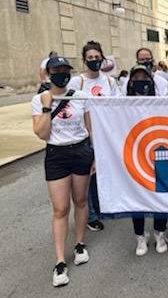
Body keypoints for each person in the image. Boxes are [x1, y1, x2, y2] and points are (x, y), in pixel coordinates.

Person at [32, 57, 94, 287]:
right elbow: (41, 133)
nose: (61, 74)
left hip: (80, 151)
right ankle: (60, 260)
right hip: (56, 155)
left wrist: (94, 155)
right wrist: (48, 105)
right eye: (56, 70)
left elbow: (89, 128)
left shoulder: (80, 97)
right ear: (48, 73)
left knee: (80, 200)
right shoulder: (40, 100)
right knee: (60, 208)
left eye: (65, 70)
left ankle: (79, 244)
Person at [68, 41, 120, 232]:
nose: (94, 61)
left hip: (105, 136)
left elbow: (117, 107)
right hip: (84, 136)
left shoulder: (110, 82)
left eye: (97, 58)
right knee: (86, 177)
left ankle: (101, 208)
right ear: (84, 60)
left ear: (102, 58)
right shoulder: (77, 82)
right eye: (90, 58)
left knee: (103, 174)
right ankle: (90, 216)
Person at [126, 65, 168, 255]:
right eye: (136, 78)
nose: (141, 81)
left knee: (161, 193)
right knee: (137, 196)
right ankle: (140, 236)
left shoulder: (161, 102)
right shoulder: (120, 105)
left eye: (144, 77)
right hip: (135, 153)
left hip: (158, 152)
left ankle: (160, 232)